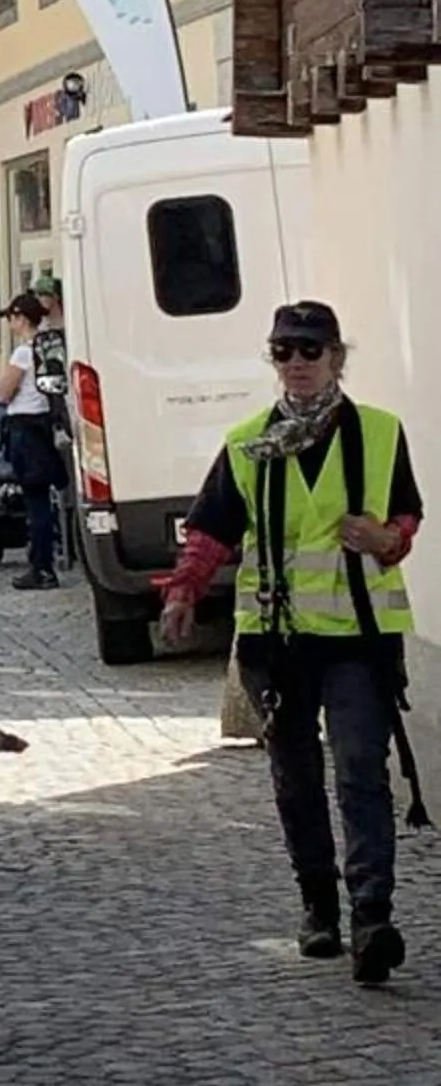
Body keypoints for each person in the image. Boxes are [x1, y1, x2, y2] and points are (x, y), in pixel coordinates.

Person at [155, 301, 424, 983]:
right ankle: (319, 909)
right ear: (273, 361)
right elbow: (211, 527)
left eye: (311, 350)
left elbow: (405, 517)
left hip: (358, 638)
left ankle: (372, 918)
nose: (297, 364)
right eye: (284, 352)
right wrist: (185, 591)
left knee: (362, 768)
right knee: (296, 778)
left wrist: (387, 541)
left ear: (337, 357)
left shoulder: (381, 433)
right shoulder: (249, 442)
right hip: (275, 644)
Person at [0, 288, 67, 591]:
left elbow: (4, 392)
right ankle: (43, 562)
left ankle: (41, 567)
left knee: (35, 501)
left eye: (11, 317)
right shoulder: (49, 347)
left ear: (20, 318)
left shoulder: (23, 352)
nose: (10, 323)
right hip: (43, 425)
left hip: (24, 427)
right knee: (41, 499)